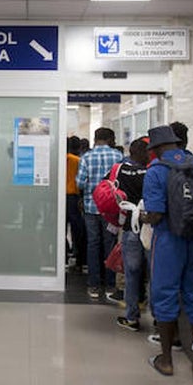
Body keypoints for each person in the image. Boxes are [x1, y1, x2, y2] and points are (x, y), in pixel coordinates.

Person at [142, 123, 193, 378]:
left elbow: (157, 214)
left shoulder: (156, 171)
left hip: (169, 240)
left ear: (157, 148)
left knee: (165, 295)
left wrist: (144, 218)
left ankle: (167, 360)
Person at [76, 127, 124, 299]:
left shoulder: (86, 157)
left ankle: (94, 285)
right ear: (110, 139)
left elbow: (80, 183)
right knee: (110, 244)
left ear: (95, 139)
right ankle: (110, 285)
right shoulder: (118, 157)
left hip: (91, 207)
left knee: (93, 244)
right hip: (111, 210)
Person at [115, 137, 149, 332]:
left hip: (130, 226)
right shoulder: (154, 171)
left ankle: (132, 317)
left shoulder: (122, 169)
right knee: (154, 274)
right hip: (152, 228)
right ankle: (158, 320)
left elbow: (112, 193)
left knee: (132, 272)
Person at [65, 136, 87, 272]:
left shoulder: (61, 160)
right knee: (78, 230)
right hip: (74, 198)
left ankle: (64, 257)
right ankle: (80, 259)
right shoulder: (78, 161)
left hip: (61, 198)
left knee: (60, 229)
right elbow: (81, 182)